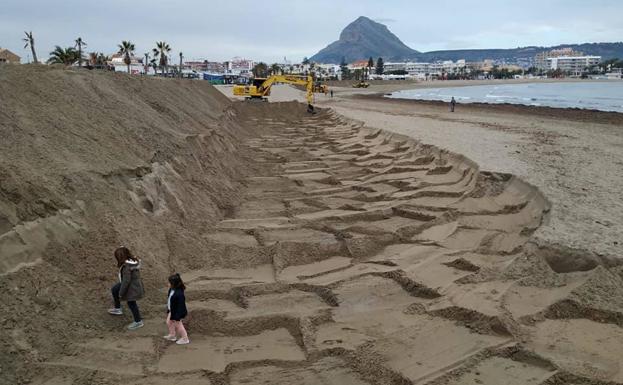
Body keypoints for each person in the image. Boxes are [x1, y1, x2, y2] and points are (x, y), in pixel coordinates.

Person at [107, 246, 145, 330]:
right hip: (133, 284)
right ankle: (118, 308)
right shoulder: (132, 262)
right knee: (114, 289)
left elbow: (126, 281)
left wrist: (121, 293)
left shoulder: (127, 267)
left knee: (131, 303)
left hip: (132, 287)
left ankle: (138, 321)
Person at [164, 273, 189, 344]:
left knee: (178, 325)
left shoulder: (179, 294)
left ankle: (185, 338)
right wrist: (169, 309)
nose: (167, 283)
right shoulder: (171, 290)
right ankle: (172, 335)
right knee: (168, 322)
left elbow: (181, 306)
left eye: (169, 282)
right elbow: (170, 300)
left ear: (173, 284)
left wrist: (178, 316)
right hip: (172, 310)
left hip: (178, 312)